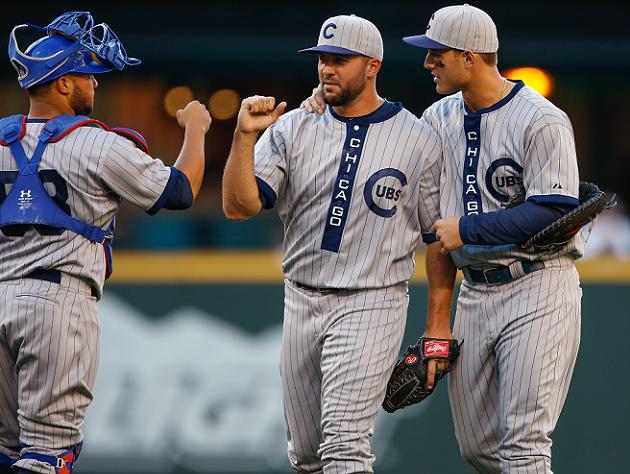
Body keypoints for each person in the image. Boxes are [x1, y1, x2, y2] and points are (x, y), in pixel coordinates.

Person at [303, 4, 583, 473]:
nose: (427, 62)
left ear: (469, 58)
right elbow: (387, 144)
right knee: (478, 447)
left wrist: (467, 229)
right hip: (475, 289)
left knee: (525, 446)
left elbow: (555, 207)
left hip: (538, 283)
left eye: (437, 53)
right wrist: (322, 108)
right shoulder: (436, 119)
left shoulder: (542, 119)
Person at [222, 14, 454, 474]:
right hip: (302, 298)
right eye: (323, 59)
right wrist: (244, 137)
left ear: (372, 66)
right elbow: (239, 207)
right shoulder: (294, 128)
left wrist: (436, 329)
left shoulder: (418, 139)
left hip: (372, 302)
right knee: (307, 454)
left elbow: (437, 240)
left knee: (345, 447)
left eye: (341, 60)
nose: (327, 68)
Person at [0, 11, 211, 474]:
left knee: (6, 450)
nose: (95, 85)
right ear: (60, 83)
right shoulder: (99, 145)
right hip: (55, 303)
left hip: (1, 294)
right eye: (86, 75)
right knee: (47, 455)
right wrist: (196, 129)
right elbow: (179, 192)